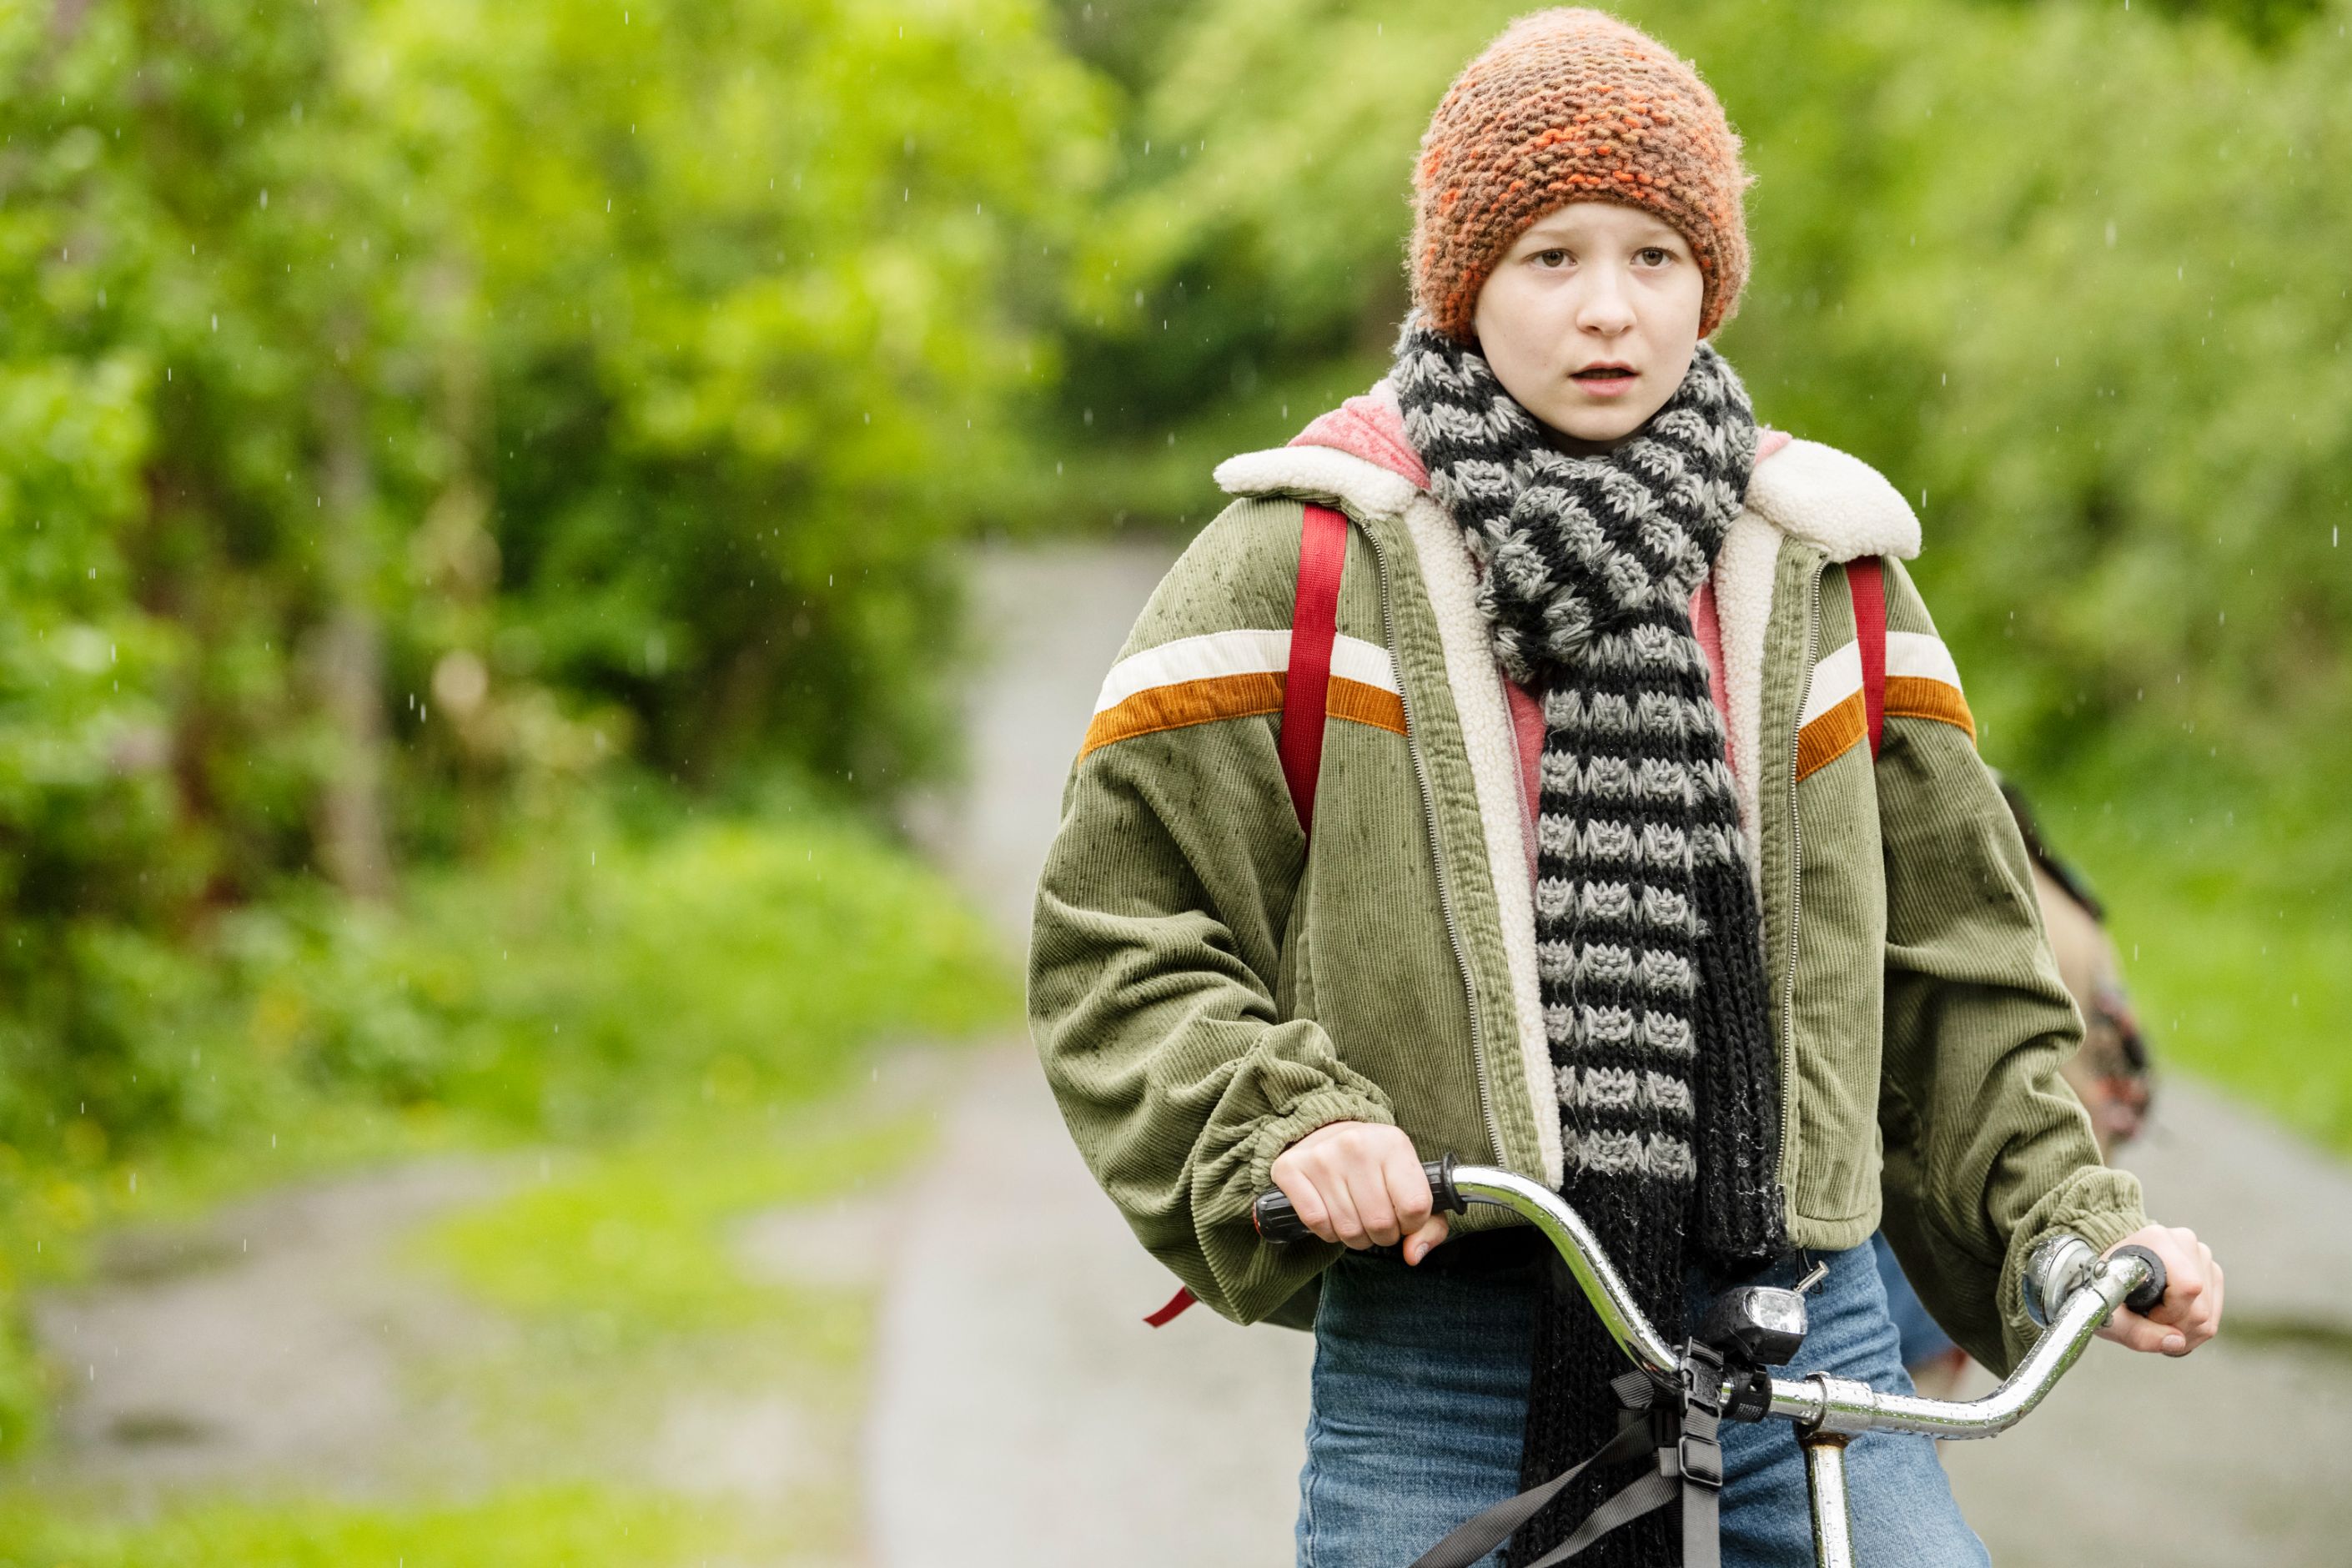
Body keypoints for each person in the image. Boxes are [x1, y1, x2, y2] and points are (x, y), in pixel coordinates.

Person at [1028, 11, 2223, 1565]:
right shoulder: (1311, 555)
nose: (1611, 310)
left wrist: (2077, 1226)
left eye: (1655, 256)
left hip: (1806, 1325)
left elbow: (1960, 978)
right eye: (1552, 257)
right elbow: (1120, 933)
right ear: (1463, 278)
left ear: (1709, 278)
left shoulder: (1825, 565)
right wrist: (1283, 1124)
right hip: (1447, 1331)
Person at [1874, 775, 2158, 1396]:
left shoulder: (1952, 900)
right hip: (2020, 1205)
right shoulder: (2068, 901)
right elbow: (2134, 1080)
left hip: (1933, 1200)